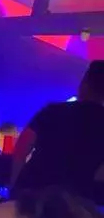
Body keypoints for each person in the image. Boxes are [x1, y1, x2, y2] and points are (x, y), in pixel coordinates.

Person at [11, 61, 104, 200]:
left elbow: (22, 146)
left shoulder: (53, 111)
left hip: (32, 191)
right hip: (72, 201)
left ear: (85, 84)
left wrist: (14, 185)